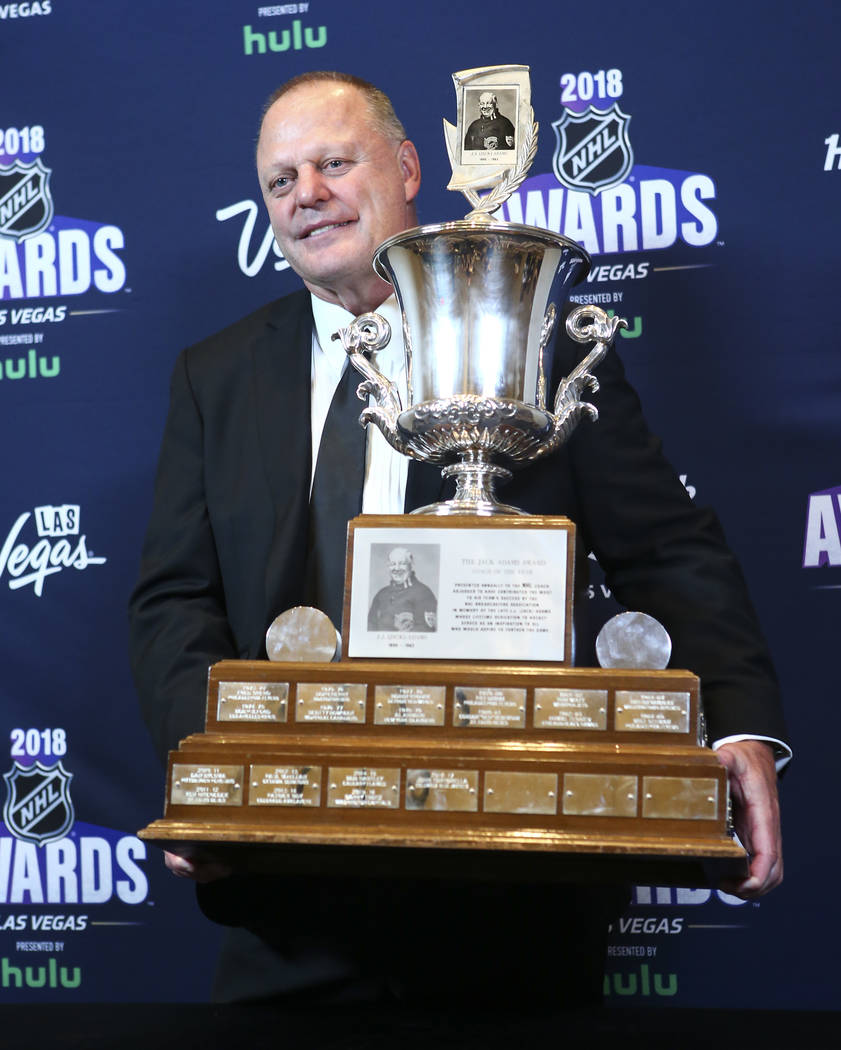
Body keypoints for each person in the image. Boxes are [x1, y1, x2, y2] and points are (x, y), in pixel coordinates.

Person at [129, 70, 787, 1007]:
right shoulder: (216, 375)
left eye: (332, 162)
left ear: (405, 168)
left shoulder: (533, 339)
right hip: (286, 892)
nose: (306, 194)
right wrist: (214, 766)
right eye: (280, 180)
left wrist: (739, 725)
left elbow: (666, 549)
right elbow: (174, 599)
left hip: (516, 895)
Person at [367, 546, 437, 631]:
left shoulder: (424, 593)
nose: (397, 568)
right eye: (393, 564)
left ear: (410, 565)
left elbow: (426, 631)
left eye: (402, 563)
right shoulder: (381, 594)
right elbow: (370, 625)